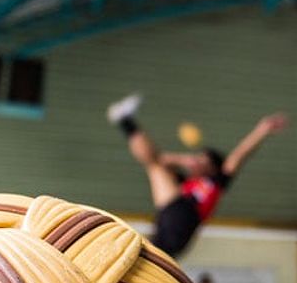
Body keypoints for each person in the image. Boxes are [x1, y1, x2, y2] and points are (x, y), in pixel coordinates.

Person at [108, 93, 287, 258]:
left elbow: (239, 155)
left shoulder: (217, 181)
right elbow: (159, 159)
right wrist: (184, 160)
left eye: (203, 160)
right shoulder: (184, 182)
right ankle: (125, 120)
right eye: (197, 158)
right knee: (155, 166)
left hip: (184, 219)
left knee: (155, 167)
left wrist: (262, 130)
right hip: (167, 220)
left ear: (214, 167)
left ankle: (125, 120)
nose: (197, 162)